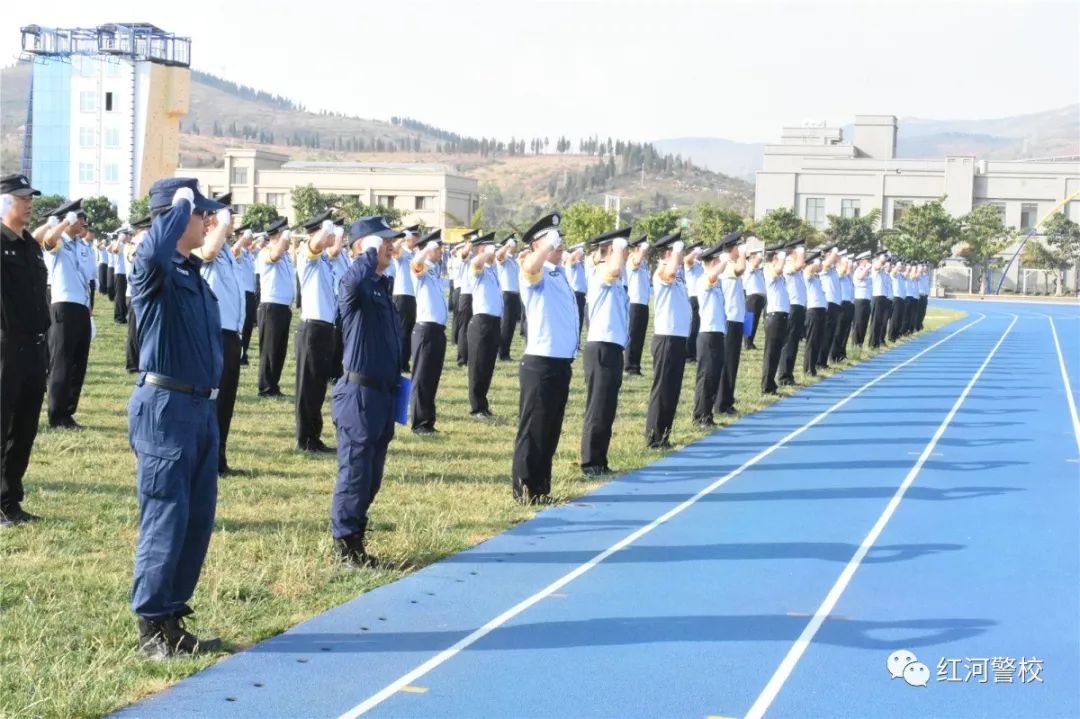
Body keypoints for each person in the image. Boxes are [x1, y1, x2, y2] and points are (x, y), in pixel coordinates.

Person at [127, 178, 226, 659]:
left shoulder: (190, 273)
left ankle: (171, 616)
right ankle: (149, 628)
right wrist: (177, 205)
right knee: (166, 516)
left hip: (200, 408)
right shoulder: (155, 270)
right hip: (165, 408)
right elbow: (149, 255)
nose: (207, 219)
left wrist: (194, 210)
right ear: (170, 216)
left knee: (195, 518)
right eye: (197, 212)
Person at [330, 216, 403, 567]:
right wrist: (366, 255)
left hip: (382, 395)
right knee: (356, 473)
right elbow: (348, 285)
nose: (390, 245)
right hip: (358, 395)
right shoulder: (356, 284)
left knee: (371, 476)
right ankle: (346, 546)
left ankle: (357, 538)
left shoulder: (379, 285)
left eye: (390, 240)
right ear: (363, 246)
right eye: (382, 240)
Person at [512, 212, 578, 503]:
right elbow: (529, 269)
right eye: (554, 239)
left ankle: (540, 488)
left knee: (549, 429)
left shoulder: (558, 273)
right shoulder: (533, 273)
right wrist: (544, 248)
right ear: (539, 245)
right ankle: (525, 490)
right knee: (533, 429)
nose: (560, 243)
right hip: (540, 362)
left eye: (560, 238)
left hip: (560, 362)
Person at [1, 174, 50, 527]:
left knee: (25, 427)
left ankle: (10, 501)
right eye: (21, 197)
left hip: (34, 347)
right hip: (5, 347)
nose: (29, 202)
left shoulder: (31, 245)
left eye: (30, 196)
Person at [195, 198, 244, 475]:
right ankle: (207, 460)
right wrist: (221, 225)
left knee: (226, 401)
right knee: (212, 400)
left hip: (230, 334)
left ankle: (218, 459)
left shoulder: (226, 249)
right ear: (210, 218)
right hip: (213, 332)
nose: (232, 221)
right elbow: (208, 253)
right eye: (227, 216)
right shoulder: (205, 243)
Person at [41, 199, 95, 430]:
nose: (83, 222)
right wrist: (63, 222)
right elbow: (48, 240)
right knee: (61, 363)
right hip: (63, 305)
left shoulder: (82, 246)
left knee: (78, 363)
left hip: (81, 306)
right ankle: (56, 415)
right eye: (78, 218)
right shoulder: (58, 243)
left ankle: (68, 412)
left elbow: (90, 279)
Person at [580, 226, 630, 475]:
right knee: (598, 406)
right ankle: (590, 462)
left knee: (607, 407)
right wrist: (618, 248)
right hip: (600, 346)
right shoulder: (602, 270)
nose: (627, 253)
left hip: (612, 346)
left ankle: (600, 459)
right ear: (610, 250)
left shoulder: (616, 278)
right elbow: (614, 267)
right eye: (623, 249)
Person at [295, 213, 342, 453]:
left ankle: (314, 436)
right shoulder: (308, 253)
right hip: (312, 328)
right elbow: (315, 243)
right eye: (329, 232)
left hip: (325, 328)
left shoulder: (323, 260)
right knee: (308, 387)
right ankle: (305, 439)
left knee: (318, 387)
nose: (333, 237)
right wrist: (325, 228)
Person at [644, 231, 690, 448]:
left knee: (672, 390)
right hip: (666, 337)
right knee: (662, 388)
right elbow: (669, 273)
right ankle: (654, 437)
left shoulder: (679, 273)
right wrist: (676, 254)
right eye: (678, 250)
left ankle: (664, 435)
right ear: (669, 252)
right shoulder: (662, 270)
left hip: (679, 336)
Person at [409, 230, 448, 435]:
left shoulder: (433, 270)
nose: (441, 251)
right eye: (437, 248)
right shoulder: (421, 267)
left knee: (432, 377)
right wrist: (424, 249)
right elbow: (415, 264)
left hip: (437, 330)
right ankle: (419, 423)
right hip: (425, 329)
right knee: (422, 378)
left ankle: (428, 421)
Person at [465, 232, 506, 419]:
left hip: (494, 322)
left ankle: (483, 405)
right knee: (478, 367)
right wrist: (483, 254)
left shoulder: (491, 269)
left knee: (488, 365)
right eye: (490, 247)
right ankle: (476, 407)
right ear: (481, 249)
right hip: (481, 322)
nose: (494, 251)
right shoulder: (477, 267)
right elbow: (475, 263)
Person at [691, 243, 728, 426]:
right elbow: (713, 274)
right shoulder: (704, 278)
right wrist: (725, 259)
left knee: (713, 376)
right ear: (714, 262)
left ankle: (708, 415)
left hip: (717, 333)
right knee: (706, 377)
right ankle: (700, 416)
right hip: (708, 334)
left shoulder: (715, 281)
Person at [257, 217, 295, 397]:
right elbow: (275, 255)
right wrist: (283, 239)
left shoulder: (285, 254)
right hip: (271, 306)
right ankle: (265, 387)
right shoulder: (267, 251)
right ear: (278, 235)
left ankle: (274, 384)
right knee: (270, 350)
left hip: (283, 306)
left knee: (279, 350)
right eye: (285, 233)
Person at [717, 231, 748, 415]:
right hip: (729, 318)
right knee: (727, 362)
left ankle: (727, 400)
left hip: (736, 317)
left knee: (732, 362)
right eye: (739, 246)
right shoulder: (727, 262)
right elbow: (740, 269)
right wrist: (742, 254)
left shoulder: (730, 262)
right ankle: (721, 403)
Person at [760, 245, 791, 394]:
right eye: (780, 259)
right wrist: (783, 256)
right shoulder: (768, 270)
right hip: (774, 316)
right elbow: (778, 270)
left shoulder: (777, 272)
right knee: (771, 353)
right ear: (774, 259)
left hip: (781, 316)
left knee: (776, 352)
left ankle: (771, 384)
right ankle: (766, 386)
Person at [777, 241, 807, 386]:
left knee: (794, 342)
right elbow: (799, 264)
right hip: (792, 307)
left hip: (799, 307)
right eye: (801, 251)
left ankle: (789, 373)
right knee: (789, 342)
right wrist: (800, 253)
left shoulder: (795, 267)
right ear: (793, 252)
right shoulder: (789, 263)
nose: (804, 253)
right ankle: (783, 375)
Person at [392, 225, 420, 372]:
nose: (417, 239)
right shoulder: (402, 253)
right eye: (415, 237)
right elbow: (394, 250)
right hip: (401, 295)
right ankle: (399, 362)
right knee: (401, 331)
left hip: (413, 296)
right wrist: (402, 237)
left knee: (410, 330)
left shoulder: (415, 254)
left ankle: (405, 362)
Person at [125, 216, 151, 373]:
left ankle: (141, 361)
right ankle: (132, 363)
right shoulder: (133, 244)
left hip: (144, 293)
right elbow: (131, 257)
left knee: (142, 329)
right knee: (134, 330)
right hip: (135, 293)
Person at [624, 235, 650, 376]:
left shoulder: (644, 262)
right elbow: (636, 262)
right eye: (644, 246)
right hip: (634, 302)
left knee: (640, 336)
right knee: (633, 335)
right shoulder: (633, 258)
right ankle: (629, 366)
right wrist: (641, 250)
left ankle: (636, 366)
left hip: (643, 302)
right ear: (638, 247)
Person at [234, 225, 258, 366]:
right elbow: (235, 249)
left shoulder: (248, 253)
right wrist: (243, 238)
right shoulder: (239, 251)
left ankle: (244, 353)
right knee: (242, 326)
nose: (250, 238)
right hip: (242, 292)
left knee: (248, 326)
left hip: (250, 293)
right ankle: (239, 354)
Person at [454, 235, 478, 367]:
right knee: (464, 328)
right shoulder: (464, 252)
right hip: (466, 294)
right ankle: (462, 359)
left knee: (473, 327)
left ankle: (472, 357)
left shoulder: (477, 255)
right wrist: (470, 244)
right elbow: (463, 255)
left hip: (476, 295)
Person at [496, 234, 521, 361]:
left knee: (511, 326)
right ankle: (502, 353)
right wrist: (506, 245)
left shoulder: (513, 260)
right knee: (505, 325)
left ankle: (506, 351)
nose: (516, 245)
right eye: (514, 242)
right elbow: (498, 255)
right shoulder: (504, 258)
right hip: (506, 294)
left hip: (515, 295)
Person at [803, 251, 827, 376]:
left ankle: (813, 366)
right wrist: (814, 263)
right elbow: (808, 271)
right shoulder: (808, 273)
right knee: (812, 341)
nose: (821, 264)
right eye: (818, 261)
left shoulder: (817, 276)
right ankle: (808, 368)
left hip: (821, 310)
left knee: (818, 340)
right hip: (813, 310)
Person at [817, 246, 842, 368]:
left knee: (831, 334)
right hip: (828, 303)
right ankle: (819, 361)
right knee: (825, 334)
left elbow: (843, 268)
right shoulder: (824, 266)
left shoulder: (834, 269)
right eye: (835, 255)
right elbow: (828, 263)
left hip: (835, 304)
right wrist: (834, 251)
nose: (838, 257)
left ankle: (823, 361)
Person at [831, 253, 855, 362]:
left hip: (849, 304)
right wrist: (845, 263)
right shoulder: (838, 273)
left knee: (845, 330)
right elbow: (842, 270)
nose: (849, 267)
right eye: (846, 264)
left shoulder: (848, 277)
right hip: (841, 304)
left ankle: (841, 353)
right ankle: (834, 355)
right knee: (838, 330)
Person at [742, 248, 766, 350]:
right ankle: (747, 342)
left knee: (755, 320)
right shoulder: (748, 266)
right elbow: (756, 262)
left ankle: (750, 341)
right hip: (752, 296)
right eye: (756, 258)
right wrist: (760, 253)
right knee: (750, 319)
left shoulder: (757, 268)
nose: (759, 260)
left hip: (759, 297)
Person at [683, 244, 704, 362]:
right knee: (693, 327)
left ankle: (695, 352)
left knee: (699, 327)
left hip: (701, 297)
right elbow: (686, 259)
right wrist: (694, 252)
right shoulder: (691, 263)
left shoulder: (701, 265)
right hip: (694, 298)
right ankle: (689, 354)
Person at [565, 244, 588, 341]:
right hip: (575, 294)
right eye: (582, 252)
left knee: (580, 319)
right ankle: (572, 340)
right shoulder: (573, 263)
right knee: (575, 319)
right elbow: (571, 258)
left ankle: (577, 341)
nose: (583, 254)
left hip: (581, 295)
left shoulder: (581, 264)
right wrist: (579, 249)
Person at [851, 251, 873, 348]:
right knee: (858, 322)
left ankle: (860, 343)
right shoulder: (858, 270)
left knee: (864, 323)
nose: (869, 262)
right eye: (867, 260)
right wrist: (867, 268)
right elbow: (860, 277)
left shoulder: (868, 272)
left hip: (867, 300)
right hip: (859, 300)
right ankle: (855, 343)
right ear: (862, 261)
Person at [869, 251, 890, 349]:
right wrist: (881, 262)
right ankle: (872, 343)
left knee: (882, 321)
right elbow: (877, 267)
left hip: (883, 297)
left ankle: (878, 341)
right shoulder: (875, 266)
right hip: (877, 296)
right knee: (876, 321)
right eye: (883, 257)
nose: (885, 260)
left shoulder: (884, 271)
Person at [112, 229, 131, 324]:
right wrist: (119, 240)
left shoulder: (128, 245)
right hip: (119, 273)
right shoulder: (119, 244)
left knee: (124, 296)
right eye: (127, 235)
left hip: (126, 273)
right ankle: (119, 317)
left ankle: (124, 315)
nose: (129, 236)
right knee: (119, 296)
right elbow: (114, 250)